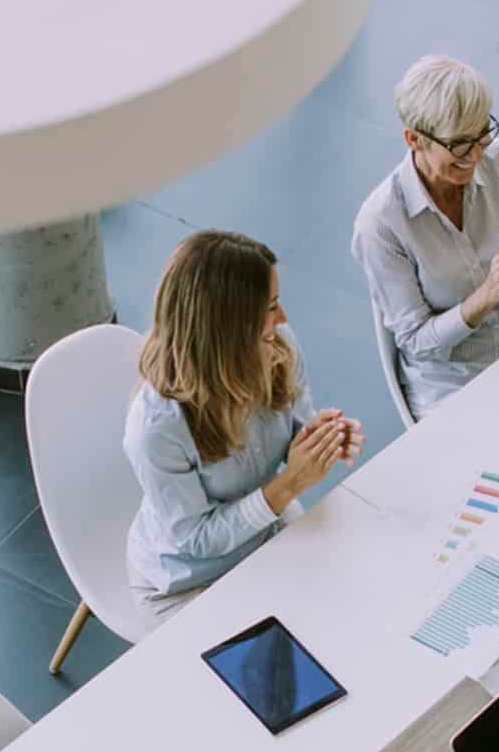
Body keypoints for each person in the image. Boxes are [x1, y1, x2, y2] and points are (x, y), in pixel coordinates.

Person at [122, 231, 363, 623]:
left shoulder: (278, 345)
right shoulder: (156, 428)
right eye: (271, 307)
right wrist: (290, 484)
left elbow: (292, 426)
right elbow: (197, 539)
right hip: (187, 582)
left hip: (263, 536)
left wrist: (318, 437)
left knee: (348, 609)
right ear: (229, 327)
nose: (282, 318)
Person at [352, 55, 499, 421]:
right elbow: (417, 342)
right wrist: (482, 299)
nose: (477, 154)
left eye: (483, 133)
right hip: (454, 387)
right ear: (414, 139)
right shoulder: (380, 225)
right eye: (460, 144)